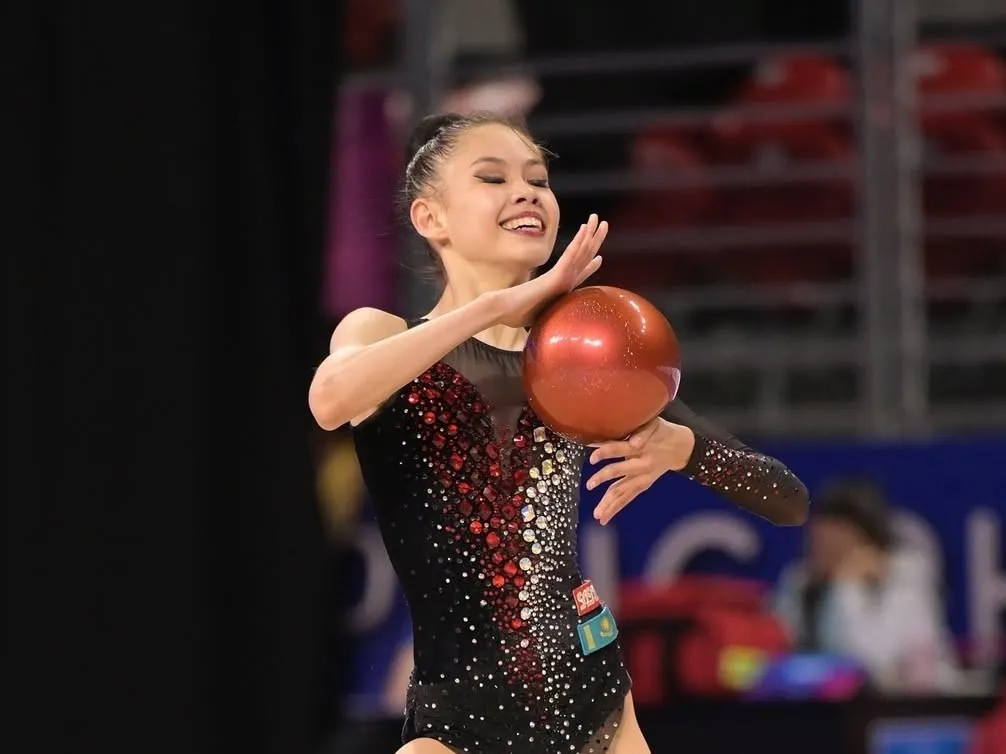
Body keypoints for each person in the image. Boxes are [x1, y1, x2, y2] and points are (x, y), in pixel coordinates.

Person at [309, 111, 810, 754]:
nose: (525, 193)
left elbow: (787, 499)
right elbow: (330, 401)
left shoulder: (581, 354)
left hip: (597, 708)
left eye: (538, 180)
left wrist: (684, 448)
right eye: (493, 178)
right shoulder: (382, 335)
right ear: (431, 218)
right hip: (458, 724)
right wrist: (491, 308)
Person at [773, 477, 961, 694]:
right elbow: (780, 656)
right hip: (818, 706)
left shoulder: (905, 576)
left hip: (906, 705)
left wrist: (846, 587)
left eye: (836, 539)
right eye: (817, 538)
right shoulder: (800, 581)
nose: (823, 546)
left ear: (867, 539)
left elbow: (872, 664)